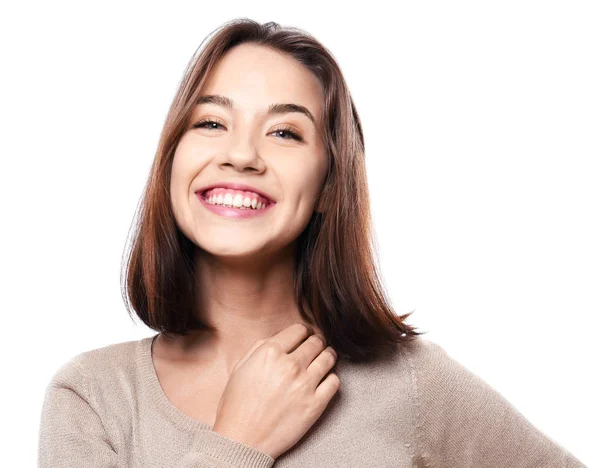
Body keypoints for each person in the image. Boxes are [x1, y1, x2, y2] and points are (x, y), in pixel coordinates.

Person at [38, 18, 587, 467]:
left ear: (328, 184)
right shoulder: (94, 399)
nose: (242, 154)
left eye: (284, 132)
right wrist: (236, 443)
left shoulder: (413, 383)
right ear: (171, 160)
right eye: (210, 123)